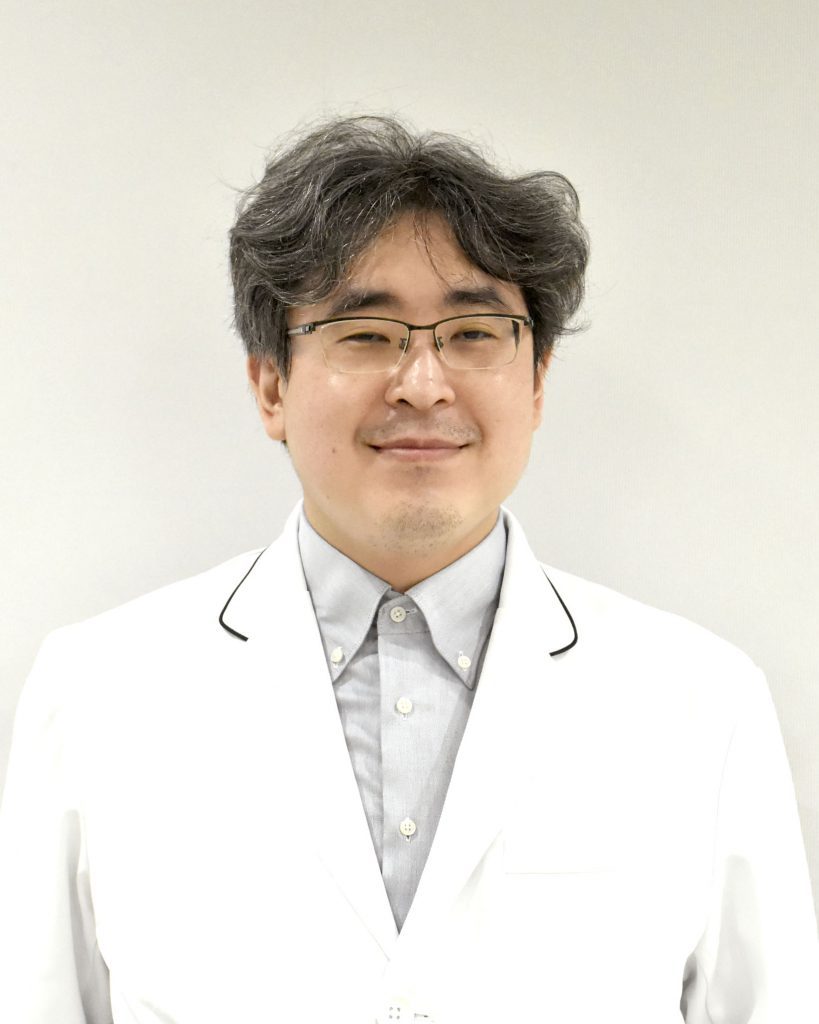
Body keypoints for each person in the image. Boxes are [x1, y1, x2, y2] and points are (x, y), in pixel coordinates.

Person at [0, 116, 816, 1024]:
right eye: (364, 333)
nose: (423, 384)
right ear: (270, 384)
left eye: (473, 332)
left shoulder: (700, 700)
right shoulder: (97, 690)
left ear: (536, 381)